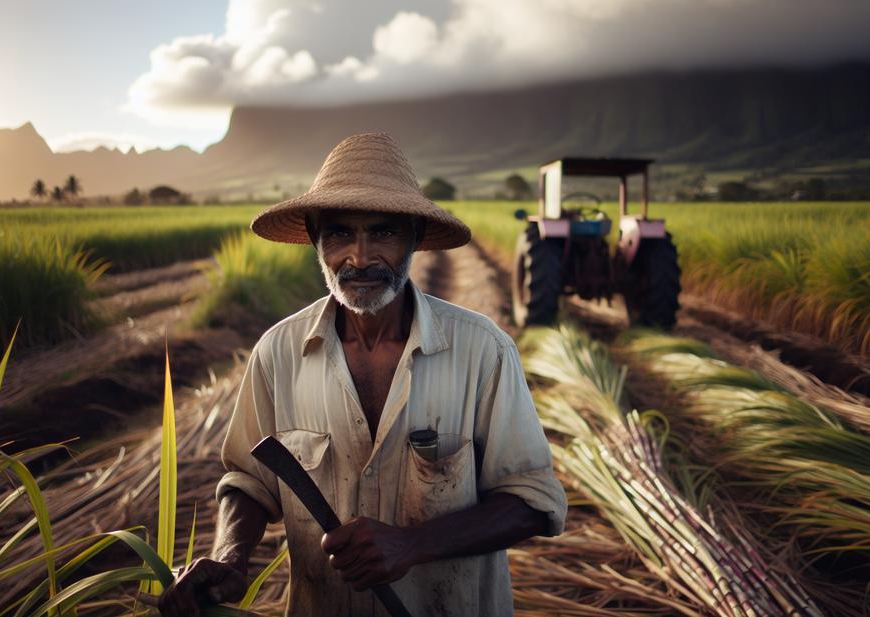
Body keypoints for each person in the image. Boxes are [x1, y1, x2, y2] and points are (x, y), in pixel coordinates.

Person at [160, 133, 566, 617]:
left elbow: (532, 500)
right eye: (339, 234)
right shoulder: (278, 353)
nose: (359, 257)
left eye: (383, 232)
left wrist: (413, 544)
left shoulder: (483, 350)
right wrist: (230, 554)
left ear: (414, 237)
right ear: (316, 239)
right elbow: (249, 481)